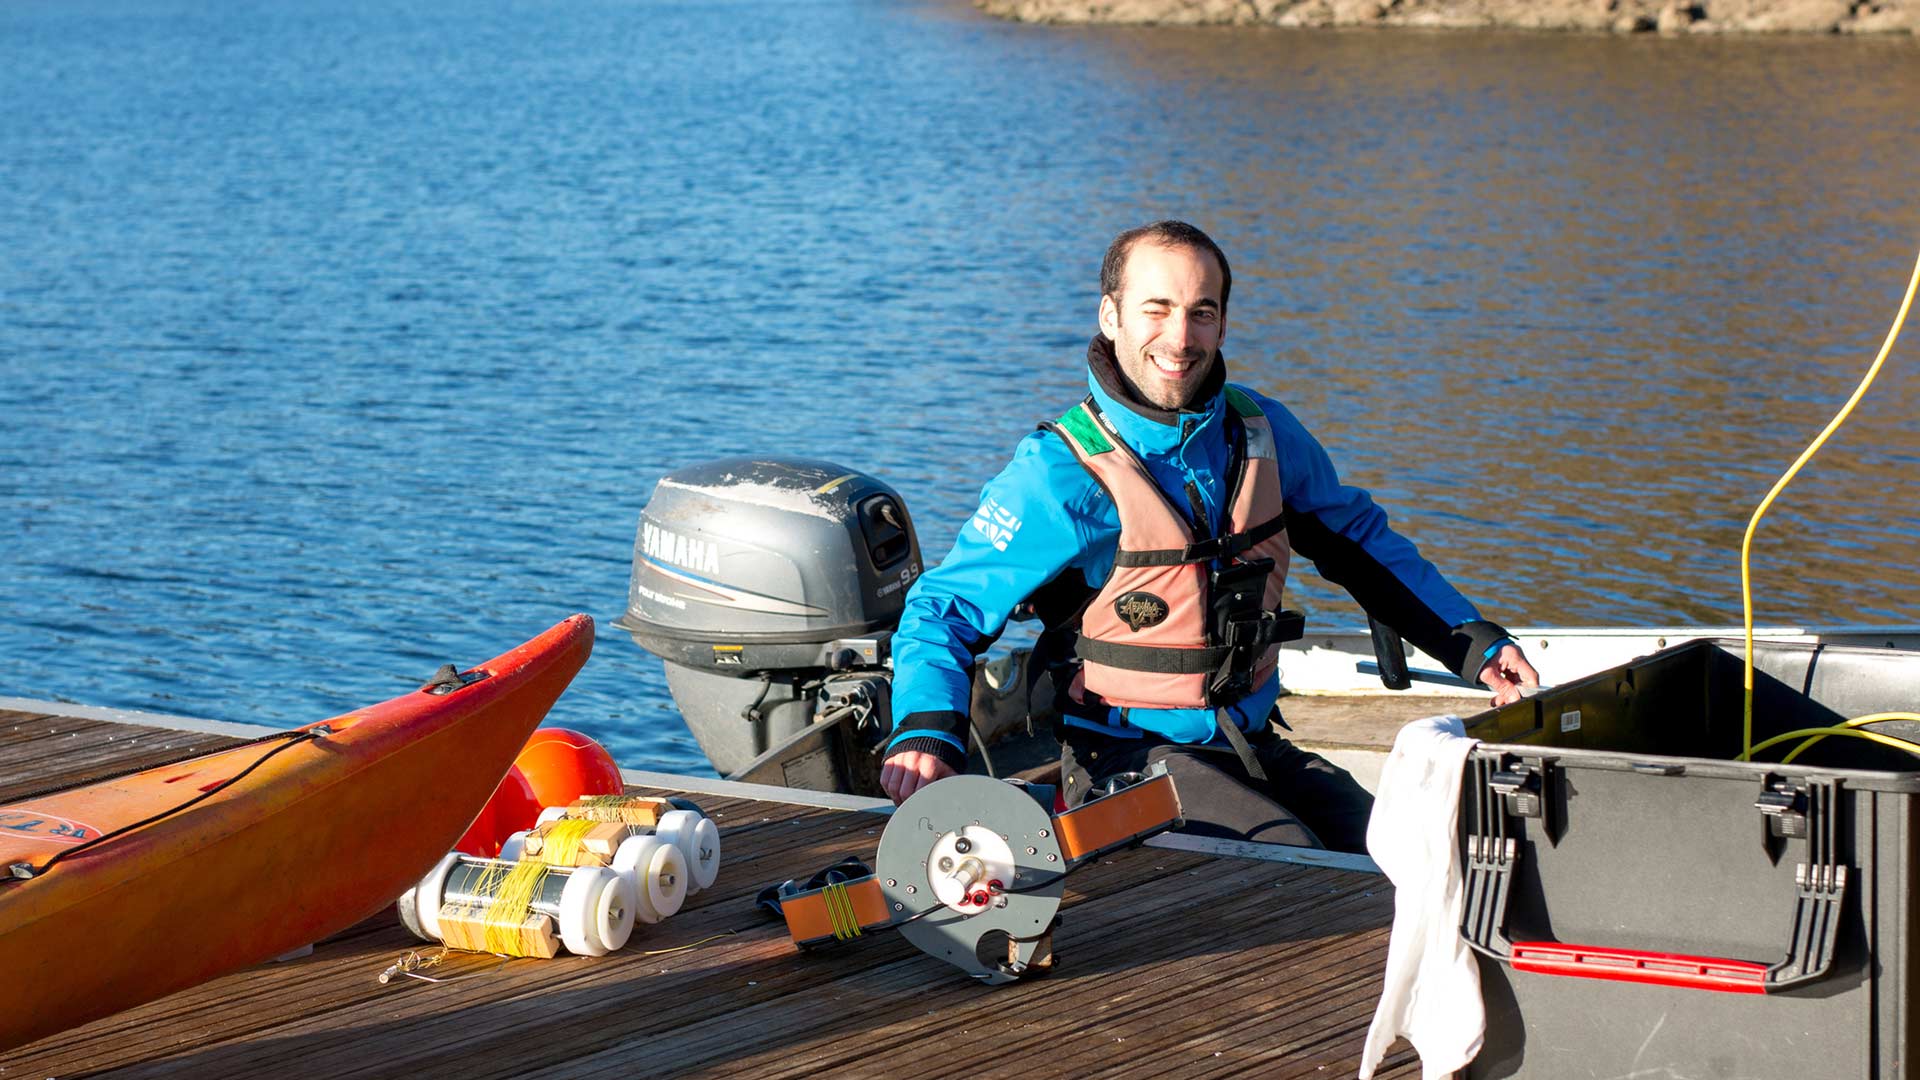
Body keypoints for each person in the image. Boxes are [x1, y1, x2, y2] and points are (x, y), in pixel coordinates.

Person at [878, 220, 1537, 852]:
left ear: (1223, 322)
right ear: (1111, 316)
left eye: (1201, 311)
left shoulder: (1263, 432)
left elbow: (1359, 544)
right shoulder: (1058, 474)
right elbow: (943, 612)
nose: (1180, 336)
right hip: (1125, 759)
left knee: (1416, 850)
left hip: (1251, 742)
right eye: (1156, 309)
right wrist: (927, 730)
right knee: (1298, 866)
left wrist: (1474, 645)